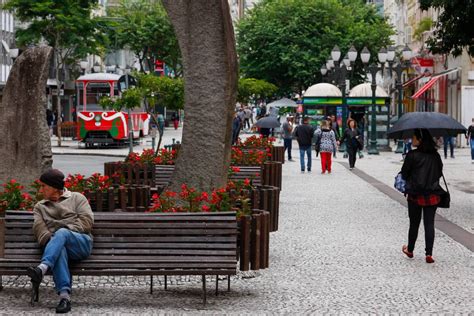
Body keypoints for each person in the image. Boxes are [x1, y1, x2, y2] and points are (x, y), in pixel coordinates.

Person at [28, 169, 94, 313]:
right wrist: (56, 240)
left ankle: (43, 267)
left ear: (54, 187)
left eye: (43, 186)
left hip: (81, 243)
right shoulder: (40, 207)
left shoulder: (77, 198)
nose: (40, 189)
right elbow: (40, 230)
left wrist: (62, 232)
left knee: (62, 234)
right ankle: (64, 298)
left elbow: (86, 222)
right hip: (56, 247)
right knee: (60, 249)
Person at [400, 129, 443, 264]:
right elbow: (439, 172)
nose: (412, 140)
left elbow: (404, 174)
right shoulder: (435, 156)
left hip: (415, 194)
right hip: (432, 194)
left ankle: (410, 249)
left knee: (414, 223)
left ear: (420, 140)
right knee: (429, 223)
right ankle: (429, 253)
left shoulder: (412, 155)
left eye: (414, 138)